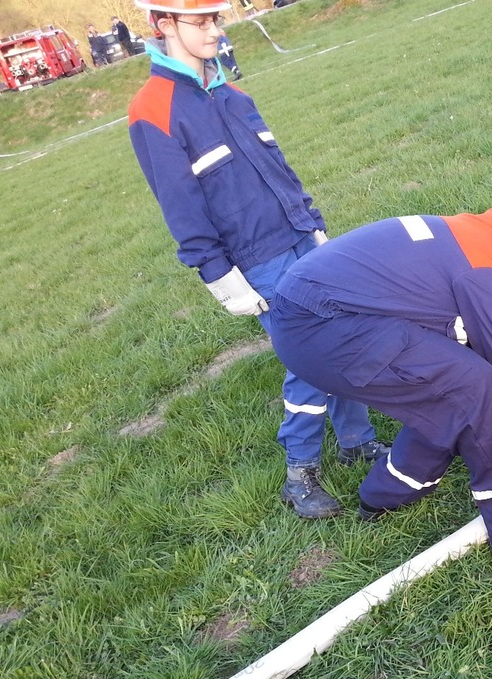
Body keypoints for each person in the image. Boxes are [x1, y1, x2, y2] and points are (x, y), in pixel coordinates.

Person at [127, 0, 385, 519]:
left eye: (216, 19)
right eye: (201, 21)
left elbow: (276, 162)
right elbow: (180, 204)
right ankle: (300, 473)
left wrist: (311, 223)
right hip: (255, 259)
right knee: (308, 358)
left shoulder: (232, 91)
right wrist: (218, 274)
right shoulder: (152, 109)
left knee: (342, 335)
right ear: (163, 25)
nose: (214, 30)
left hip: (297, 235)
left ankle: (356, 440)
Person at [265, 176, 492, 563]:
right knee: (474, 384)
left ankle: (383, 494)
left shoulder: (474, 234)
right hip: (321, 326)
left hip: (308, 312)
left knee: (451, 389)